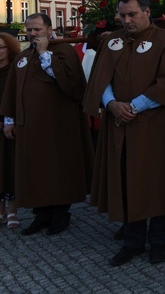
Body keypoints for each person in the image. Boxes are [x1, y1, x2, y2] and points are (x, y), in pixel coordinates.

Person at [83, 0, 165, 266]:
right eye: (122, 15)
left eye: (132, 14)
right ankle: (132, 240)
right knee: (125, 178)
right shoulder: (113, 41)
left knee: (159, 178)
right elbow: (100, 77)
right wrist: (110, 104)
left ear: (146, 12)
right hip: (120, 125)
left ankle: (159, 240)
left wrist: (132, 107)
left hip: (157, 125)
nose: (127, 20)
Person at [0, 14, 94, 236]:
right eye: (30, 30)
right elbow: (11, 91)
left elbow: (70, 83)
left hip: (57, 126)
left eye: (38, 29)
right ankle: (41, 215)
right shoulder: (22, 57)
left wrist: (44, 54)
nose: (33, 34)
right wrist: (9, 120)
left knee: (57, 170)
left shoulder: (63, 52)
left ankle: (60, 215)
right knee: (34, 171)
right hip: (29, 128)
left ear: (49, 29)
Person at [0, 33, 21, 230]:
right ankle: (0, 209)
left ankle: (13, 208)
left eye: (1, 48)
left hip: (9, 124)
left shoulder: (15, 69)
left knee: (10, 166)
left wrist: (9, 119)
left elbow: (17, 97)